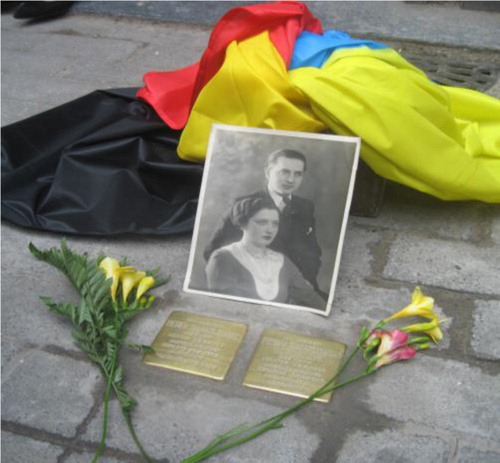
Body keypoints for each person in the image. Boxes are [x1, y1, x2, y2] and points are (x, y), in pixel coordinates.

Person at [204, 148, 323, 294]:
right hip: (256, 290)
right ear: (268, 173)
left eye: (298, 174)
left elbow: (312, 251)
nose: (291, 180)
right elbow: (213, 251)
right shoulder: (243, 204)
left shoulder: (305, 207)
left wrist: (306, 281)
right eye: (284, 172)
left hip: (301, 287)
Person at [205, 197, 325, 309]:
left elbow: (313, 300)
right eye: (262, 222)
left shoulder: (282, 260)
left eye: (275, 224)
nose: (270, 230)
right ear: (243, 223)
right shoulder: (223, 258)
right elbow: (227, 308)